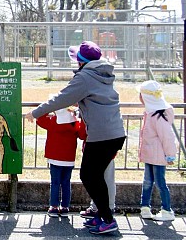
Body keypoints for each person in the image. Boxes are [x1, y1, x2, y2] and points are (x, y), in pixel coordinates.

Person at [26, 40, 126, 235]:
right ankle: (102, 216)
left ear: (81, 61)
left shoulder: (85, 77)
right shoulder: (102, 73)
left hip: (101, 136)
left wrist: (36, 113)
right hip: (114, 132)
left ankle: (107, 219)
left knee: (89, 175)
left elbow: (61, 98)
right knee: (95, 176)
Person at [137, 80, 177, 221]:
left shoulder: (158, 116)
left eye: (141, 95)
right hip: (150, 156)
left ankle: (167, 210)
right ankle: (145, 207)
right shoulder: (150, 113)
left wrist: (170, 156)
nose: (139, 97)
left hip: (158, 157)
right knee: (148, 181)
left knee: (159, 182)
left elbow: (167, 137)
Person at [35, 107, 86, 218]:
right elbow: (82, 134)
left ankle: (53, 206)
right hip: (69, 159)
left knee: (55, 182)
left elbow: (40, 119)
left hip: (54, 158)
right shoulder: (74, 124)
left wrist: (51, 106)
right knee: (66, 182)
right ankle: (65, 207)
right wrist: (78, 116)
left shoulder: (53, 121)